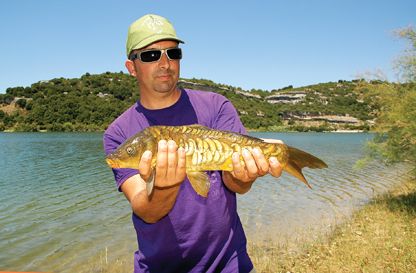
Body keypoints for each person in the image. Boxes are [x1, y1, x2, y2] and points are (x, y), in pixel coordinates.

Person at [103, 14, 283, 273]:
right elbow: (146, 210)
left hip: (228, 263)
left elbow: (235, 183)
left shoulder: (216, 106)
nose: (165, 63)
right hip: (159, 267)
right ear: (131, 67)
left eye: (172, 53)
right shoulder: (118, 132)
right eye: (151, 56)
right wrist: (165, 187)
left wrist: (245, 176)